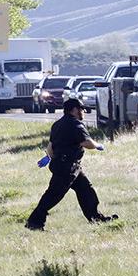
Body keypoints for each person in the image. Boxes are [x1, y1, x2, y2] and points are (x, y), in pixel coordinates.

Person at [26, 98, 116, 231]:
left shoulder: (57, 124)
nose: (83, 112)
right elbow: (86, 142)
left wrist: (48, 158)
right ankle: (34, 223)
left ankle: (95, 218)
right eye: (81, 109)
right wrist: (98, 145)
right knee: (53, 195)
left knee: (86, 190)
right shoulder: (76, 125)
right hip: (67, 168)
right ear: (73, 110)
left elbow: (51, 147)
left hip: (68, 166)